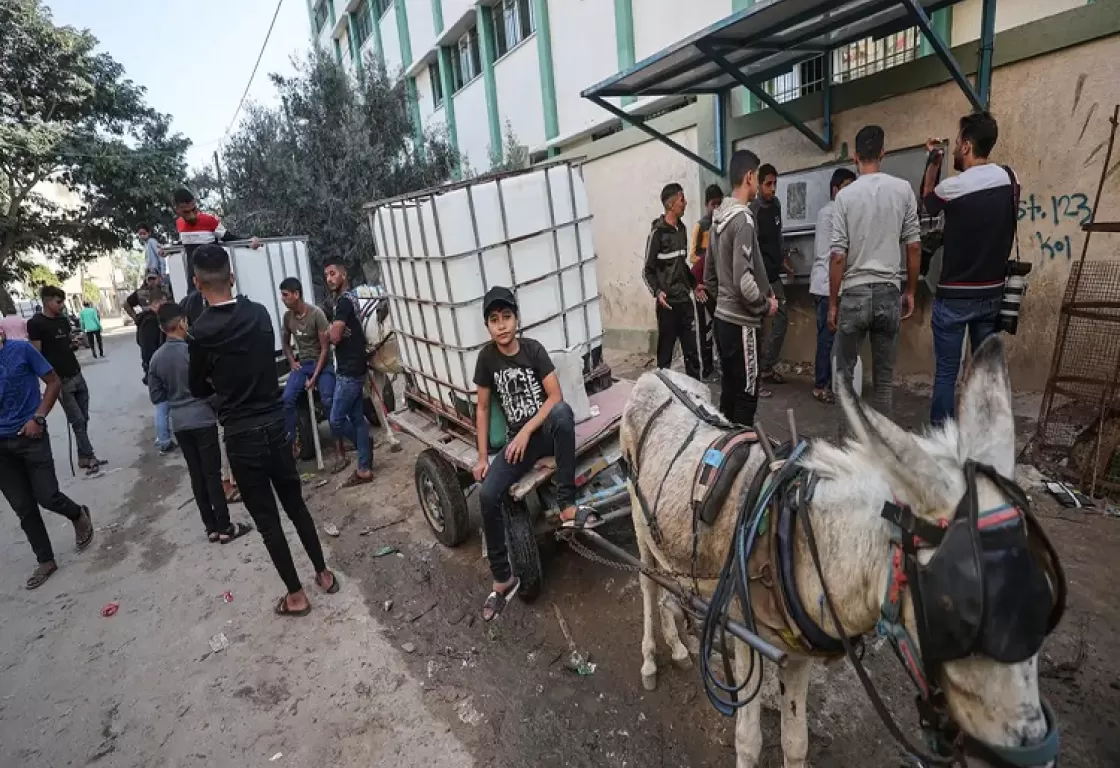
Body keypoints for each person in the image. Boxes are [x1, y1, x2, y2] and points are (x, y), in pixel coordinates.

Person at [187, 243, 337, 616]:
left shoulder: (200, 331)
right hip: (274, 425)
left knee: (268, 522)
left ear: (196, 283)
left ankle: (296, 596)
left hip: (241, 436)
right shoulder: (258, 314)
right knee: (296, 506)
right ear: (232, 278)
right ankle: (324, 573)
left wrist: (217, 378)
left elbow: (198, 388)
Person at [472, 286, 599, 621]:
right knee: (487, 496)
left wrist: (527, 431)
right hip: (517, 445)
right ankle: (503, 578)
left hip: (539, 435)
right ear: (488, 326)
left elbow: (555, 397)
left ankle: (567, 505)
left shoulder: (533, 349)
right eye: (494, 320)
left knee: (563, 415)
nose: (501, 325)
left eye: (507, 317)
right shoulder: (486, 359)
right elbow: (483, 408)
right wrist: (483, 457)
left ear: (517, 319)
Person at [921, 112, 1017, 426]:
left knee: (947, 374)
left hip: (953, 295)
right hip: (991, 293)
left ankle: (942, 441)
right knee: (981, 374)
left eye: (958, 140)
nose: (955, 148)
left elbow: (928, 203)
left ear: (965, 146)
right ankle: (982, 437)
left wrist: (933, 163)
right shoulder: (1009, 178)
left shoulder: (953, 187)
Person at [829, 125, 921, 418]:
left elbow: (837, 256)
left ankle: (846, 454)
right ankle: (881, 454)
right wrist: (910, 291)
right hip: (888, 293)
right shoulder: (903, 190)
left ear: (855, 157)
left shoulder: (844, 197)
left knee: (844, 380)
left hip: (854, 293)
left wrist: (832, 304)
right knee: (884, 382)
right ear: (883, 152)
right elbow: (914, 246)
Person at [148, 303, 252, 543]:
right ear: (183, 322)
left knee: (196, 475)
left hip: (180, 423)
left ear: (163, 328)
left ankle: (211, 528)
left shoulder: (156, 359)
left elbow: (157, 397)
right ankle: (226, 527)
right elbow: (212, 383)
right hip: (202, 418)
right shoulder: (193, 352)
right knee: (212, 474)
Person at [0, 326, 94, 589]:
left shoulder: (21, 351)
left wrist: (38, 417)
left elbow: (53, 381)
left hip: (30, 436)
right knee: (23, 506)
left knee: (47, 495)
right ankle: (45, 560)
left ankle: (77, 514)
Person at [704, 150, 778, 426]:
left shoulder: (717, 220)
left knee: (730, 392)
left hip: (723, 321)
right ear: (749, 177)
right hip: (742, 323)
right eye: (759, 178)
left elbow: (710, 277)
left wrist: (721, 306)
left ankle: (721, 454)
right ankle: (741, 459)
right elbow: (743, 281)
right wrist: (765, 305)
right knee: (747, 395)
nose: (759, 185)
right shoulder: (743, 220)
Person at [26, 286, 106, 473]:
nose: (62, 305)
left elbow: (67, 342)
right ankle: (90, 456)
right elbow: (36, 354)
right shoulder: (35, 323)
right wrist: (49, 380)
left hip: (76, 373)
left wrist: (74, 343)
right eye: (58, 302)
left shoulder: (63, 320)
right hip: (59, 380)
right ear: (47, 301)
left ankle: (83, 457)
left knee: (83, 417)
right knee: (77, 420)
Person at [172, 188, 261, 325]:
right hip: (194, 278)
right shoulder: (179, 224)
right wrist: (167, 250)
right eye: (186, 212)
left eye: (194, 210)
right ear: (177, 209)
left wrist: (249, 242)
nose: (192, 215)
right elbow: (183, 243)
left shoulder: (209, 221)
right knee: (195, 312)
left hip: (215, 277)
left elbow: (229, 238)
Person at [279, 277, 341, 468]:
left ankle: (340, 450)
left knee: (328, 399)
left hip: (322, 364)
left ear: (296, 294)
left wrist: (314, 378)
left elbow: (325, 349)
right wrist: (291, 362)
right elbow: (285, 343)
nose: (282, 299)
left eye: (285, 295)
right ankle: (291, 445)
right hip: (303, 364)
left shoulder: (316, 314)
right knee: (287, 398)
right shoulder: (288, 318)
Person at [809, 168, 857, 404]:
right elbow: (834, 254)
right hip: (826, 287)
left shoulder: (836, 212)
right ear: (835, 189)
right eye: (847, 187)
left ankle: (827, 383)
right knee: (827, 338)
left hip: (829, 285)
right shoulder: (831, 213)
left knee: (831, 338)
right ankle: (821, 385)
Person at [323, 258, 373, 486]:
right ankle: (364, 467)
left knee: (335, 420)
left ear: (343, 275)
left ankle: (364, 446)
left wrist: (329, 333)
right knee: (357, 419)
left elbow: (332, 336)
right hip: (353, 365)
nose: (329, 279)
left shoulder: (343, 302)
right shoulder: (347, 299)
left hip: (349, 370)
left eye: (333, 273)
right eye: (326, 275)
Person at [643, 183, 700, 380]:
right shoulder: (657, 234)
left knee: (692, 353)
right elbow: (647, 271)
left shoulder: (682, 230)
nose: (685, 203)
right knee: (665, 357)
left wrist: (694, 284)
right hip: (668, 307)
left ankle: (696, 394)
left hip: (685, 302)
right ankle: (663, 391)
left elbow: (682, 265)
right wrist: (658, 292)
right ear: (670, 204)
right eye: (682, 199)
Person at [751, 163, 786, 396]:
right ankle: (756, 380)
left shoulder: (776, 205)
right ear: (758, 184)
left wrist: (784, 261)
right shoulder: (752, 211)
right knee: (757, 328)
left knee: (782, 318)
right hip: (759, 279)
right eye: (768, 184)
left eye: (775, 183)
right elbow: (750, 249)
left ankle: (766, 365)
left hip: (775, 275)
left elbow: (778, 236)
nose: (772, 189)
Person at [691, 184, 724, 380]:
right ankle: (707, 367)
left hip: (716, 285)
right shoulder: (701, 226)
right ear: (706, 205)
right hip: (702, 286)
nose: (716, 208)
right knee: (705, 328)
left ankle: (719, 363)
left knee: (719, 325)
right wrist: (708, 261)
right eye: (713, 204)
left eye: (719, 204)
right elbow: (692, 256)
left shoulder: (722, 225)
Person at [138, 290, 174, 453]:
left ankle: (164, 436)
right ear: (156, 303)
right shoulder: (151, 323)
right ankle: (164, 440)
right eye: (164, 303)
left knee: (163, 404)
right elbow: (149, 347)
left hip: (152, 365)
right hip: (156, 366)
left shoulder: (145, 321)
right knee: (163, 404)